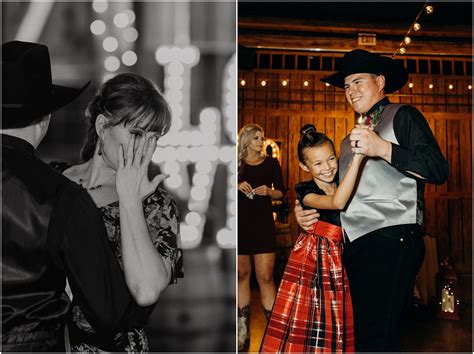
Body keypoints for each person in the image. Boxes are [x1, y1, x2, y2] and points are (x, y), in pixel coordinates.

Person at [1, 41, 156, 352]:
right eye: (138, 133)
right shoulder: (60, 194)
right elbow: (112, 313)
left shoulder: (65, 191)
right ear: (44, 119)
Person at [295, 49, 449, 351]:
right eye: (347, 86)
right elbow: (344, 197)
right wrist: (305, 212)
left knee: (379, 335)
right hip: (354, 245)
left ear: (380, 82)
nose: (351, 91)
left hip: (394, 237)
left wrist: (383, 148)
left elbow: (438, 169)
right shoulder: (346, 141)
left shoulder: (403, 116)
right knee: (361, 333)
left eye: (358, 82)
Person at [49, 73, 183, 352]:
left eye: (153, 137)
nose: (145, 147)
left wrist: (130, 199)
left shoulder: (157, 204)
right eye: (136, 133)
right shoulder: (53, 180)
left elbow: (146, 291)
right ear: (102, 126)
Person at [261, 124, 365, 353]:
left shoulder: (342, 178)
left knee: (345, 316)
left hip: (347, 254)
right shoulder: (305, 191)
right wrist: (358, 159)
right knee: (319, 317)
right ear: (303, 166)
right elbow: (337, 203)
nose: (327, 168)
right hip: (318, 261)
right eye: (317, 163)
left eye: (331, 159)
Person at [237, 124, 285, 351]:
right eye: (257, 138)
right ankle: (241, 334)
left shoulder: (271, 163)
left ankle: (275, 334)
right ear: (246, 141)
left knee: (265, 276)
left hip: (263, 225)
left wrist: (270, 191)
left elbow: (282, 192)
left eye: (262, 137)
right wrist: (235, 185)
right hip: (239, 225)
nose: (261, 141)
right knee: (241, 275)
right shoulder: (235, 165)